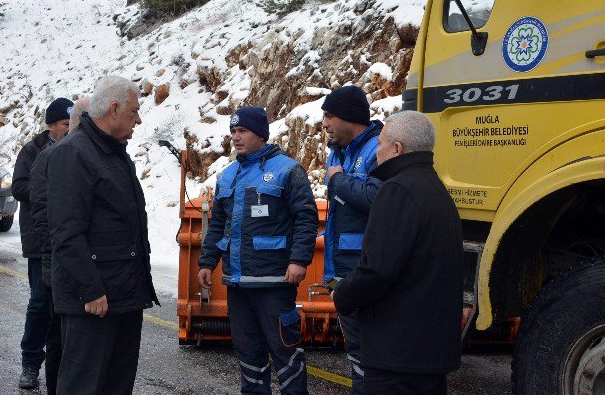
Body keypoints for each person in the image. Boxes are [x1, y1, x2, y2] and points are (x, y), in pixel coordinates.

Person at [333, 110, 463, 395]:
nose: (377, 151)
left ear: (397, 149)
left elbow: (377, 268)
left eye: (380, 144)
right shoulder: (435, 188)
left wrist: (342, 296)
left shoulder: (397, 190)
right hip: (429, 349)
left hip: (398, 355)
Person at [47, 76, 159, 394]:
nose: (138, 119)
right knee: (84, 386)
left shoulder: (113, 152)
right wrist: (91, 290)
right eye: (134, 111)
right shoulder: (74, 153)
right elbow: (66, 233)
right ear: (114, 109)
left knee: (116, 386)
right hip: (94, 301)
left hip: (122, 295)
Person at [198, 106, 318, 395]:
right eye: (233, 132)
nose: (236, 138)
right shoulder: (227, 176)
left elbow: (306, 217)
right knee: (247, 350)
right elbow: (218, 226)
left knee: (284, 349)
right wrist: (207, 262)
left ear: (261, 134)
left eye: (243, 131)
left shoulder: (288, 170)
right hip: (238, 283)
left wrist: (299, 260)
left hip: (275, 281)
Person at [320, 85, 383, 394]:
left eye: (330, 115)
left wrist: (338, 180)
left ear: (350, 116)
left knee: (373, 358)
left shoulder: (378, 149)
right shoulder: (338, 151)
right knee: (357, 358)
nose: (325, 123)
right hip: (345, 273)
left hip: (368, 273)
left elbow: (377, 199)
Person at [29, 96, 89, 395]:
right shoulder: (46, 157)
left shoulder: (83, 154)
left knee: (78, 344)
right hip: (58, 265)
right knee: (58, 338)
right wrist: (64, 255)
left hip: (80, 266)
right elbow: (43, 216)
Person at [13, 97, 73, 389]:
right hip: (40, 242)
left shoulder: (75, 149)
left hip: (68, 242)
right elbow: (19, 186)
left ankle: (61, 364)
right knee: (40, 303)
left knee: (65, 305)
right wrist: (51, 184)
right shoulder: (32, 150)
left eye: (72, 123)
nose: (69, 128)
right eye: (65, 124)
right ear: (51, 124)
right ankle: (30, 363)